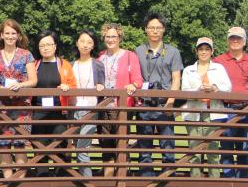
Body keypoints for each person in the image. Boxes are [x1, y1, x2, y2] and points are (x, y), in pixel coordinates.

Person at [134, 13, 182, 177]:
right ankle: (146, 183)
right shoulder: (138, 51)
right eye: (151, 27)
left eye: (158, 28)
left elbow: (176, 78)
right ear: (146, 30)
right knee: (144, 146)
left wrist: (171, 101)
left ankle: (167, 182)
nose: (155, 31)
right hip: (144, 104)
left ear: (164, 30)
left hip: (164, 104)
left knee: (168, 145)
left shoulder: (173, 52)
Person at [213, 26, 248, 179]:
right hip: (226, 109)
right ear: (227, 41)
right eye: (232, 38)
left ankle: (243, 184)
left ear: (244, 41)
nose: (235, 40)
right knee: (226, 149)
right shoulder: (218, 61)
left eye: (239, 38)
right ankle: (230, 184)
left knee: (245, 151)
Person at [181, 37, 232, 179]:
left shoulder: (219, 68)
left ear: (212, 51)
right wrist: (198, 91)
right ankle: (195, 186)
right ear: (196, 52)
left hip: (213, 112)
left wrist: (215, 88)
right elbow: (184, 90)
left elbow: (228, 88)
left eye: (207, 49)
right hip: (193, 112)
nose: (204, 52)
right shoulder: (188, 70)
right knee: (194, 151)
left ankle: (213, 186)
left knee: (213, 151)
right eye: (201, 49)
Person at [0, 19, 38, 178]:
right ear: (1, 36)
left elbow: (33, 80)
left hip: (21, 106)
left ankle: (19, 184)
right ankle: (7, 184)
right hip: (1, 107)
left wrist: (21, 85)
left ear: (18, 36)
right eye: (7, 33)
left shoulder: (26, 55)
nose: (10, 36)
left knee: (20, 144)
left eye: (13, 33)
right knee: (3, 145)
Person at [97, 23, 143, 178]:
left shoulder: (130, 56)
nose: (111, 39)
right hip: (104, 108)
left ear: (120, 38)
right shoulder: (100, 57)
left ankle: (123, 185)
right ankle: (108, 184)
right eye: (108, 36)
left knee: (122, 147)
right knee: (106, 147)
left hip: (122, 107)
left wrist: (132, 85)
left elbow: (138, 80)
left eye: (114, 36)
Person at [31, 30, 77, 177]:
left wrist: (67, 88)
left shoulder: (64, 65)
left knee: (60, 146)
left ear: (55, 46)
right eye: (42, 45)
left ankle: (61, 182)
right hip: (38, 112)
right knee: (40, 147)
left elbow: (73, 86)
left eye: (49, 44)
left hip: (59, 112)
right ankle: (42, 182)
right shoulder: (33, 65)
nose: (45, 48)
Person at [72, 30, 105, 177]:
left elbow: (102, 85)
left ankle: (88, 183)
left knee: (82, 147)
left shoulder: (97, 64)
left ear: (93, 46)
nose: (85, 45)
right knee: (76, 146)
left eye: (89, 42)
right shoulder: (70, 65)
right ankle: (84, 184)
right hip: (73, 109)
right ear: (77, 43)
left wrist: (100, 86)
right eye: (82, 41)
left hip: (90, 110)